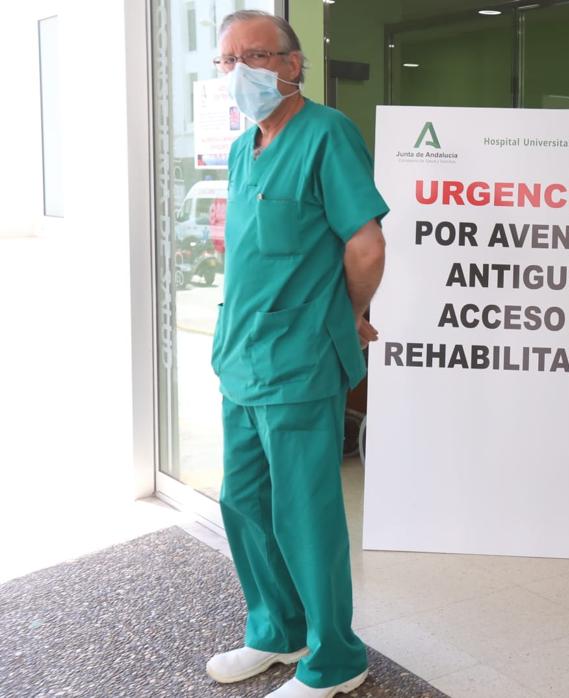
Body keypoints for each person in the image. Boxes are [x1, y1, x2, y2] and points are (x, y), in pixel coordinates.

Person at [203, 10, 386, 698]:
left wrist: (350, 312)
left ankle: (337, 657)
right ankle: (278, 629)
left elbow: (366, 245)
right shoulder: (244, 146)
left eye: (256, 55)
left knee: (304, 511)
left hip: (300, 358)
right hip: (242, 355)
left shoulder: (326, 134)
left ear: (291, 63)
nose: (241, 71)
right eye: (228, 61)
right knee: (243, 497)